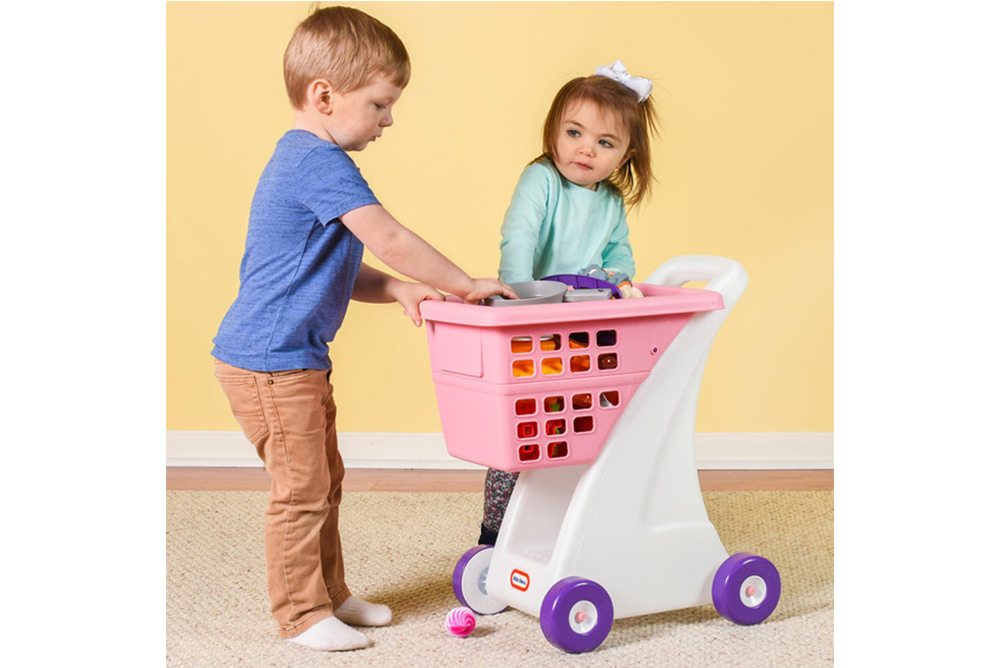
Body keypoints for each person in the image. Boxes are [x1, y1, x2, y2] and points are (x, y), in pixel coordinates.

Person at [211, 6, 514, 652]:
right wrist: (463, 282)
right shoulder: (317, 163)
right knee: (301, 491)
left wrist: (398, 288)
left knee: (325, 480)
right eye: (379, 104)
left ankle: (330, 594)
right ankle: (301, 614)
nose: (388, 120)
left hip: (294, 358)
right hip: (269, 362)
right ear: (324, 96)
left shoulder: (309, 162)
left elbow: (333, 268)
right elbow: (390, 239)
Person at [479, 60, 660, 546]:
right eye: (575, 133)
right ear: (553, 131)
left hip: (586, 326)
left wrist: (619, 279)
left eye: (605, 142)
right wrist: (517, 295)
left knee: (586, 419)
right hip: (535, 322)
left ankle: (575, 522)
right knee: (524, 425)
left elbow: (619, 253)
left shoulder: (610, 201)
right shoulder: (541, 179)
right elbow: (519, 235)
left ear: (625, 156)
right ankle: (494, 532)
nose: (586, 149)